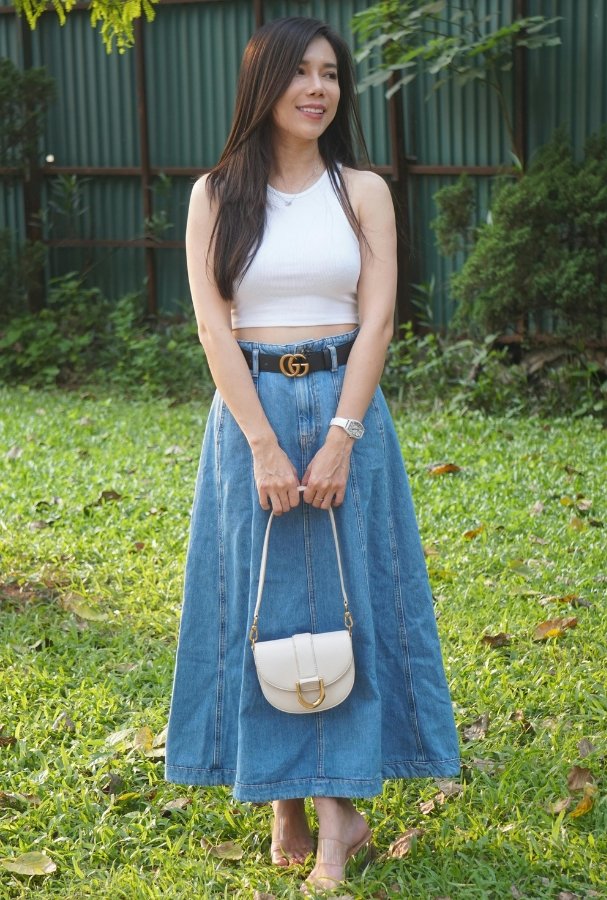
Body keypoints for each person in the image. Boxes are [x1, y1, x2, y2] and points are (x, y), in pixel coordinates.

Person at [164, 16, 460, 893]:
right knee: (260, 607)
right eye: (300, 72)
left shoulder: (362, 190)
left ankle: (337, 825)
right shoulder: (214, 195)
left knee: (346, 601)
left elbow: (378, 319)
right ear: (264, 86)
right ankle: (283, 805)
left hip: (344, 410)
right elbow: (213, 325)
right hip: (247, 411)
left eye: (331, 73)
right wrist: (261, 442)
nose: (319, 88)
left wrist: (340, 436)